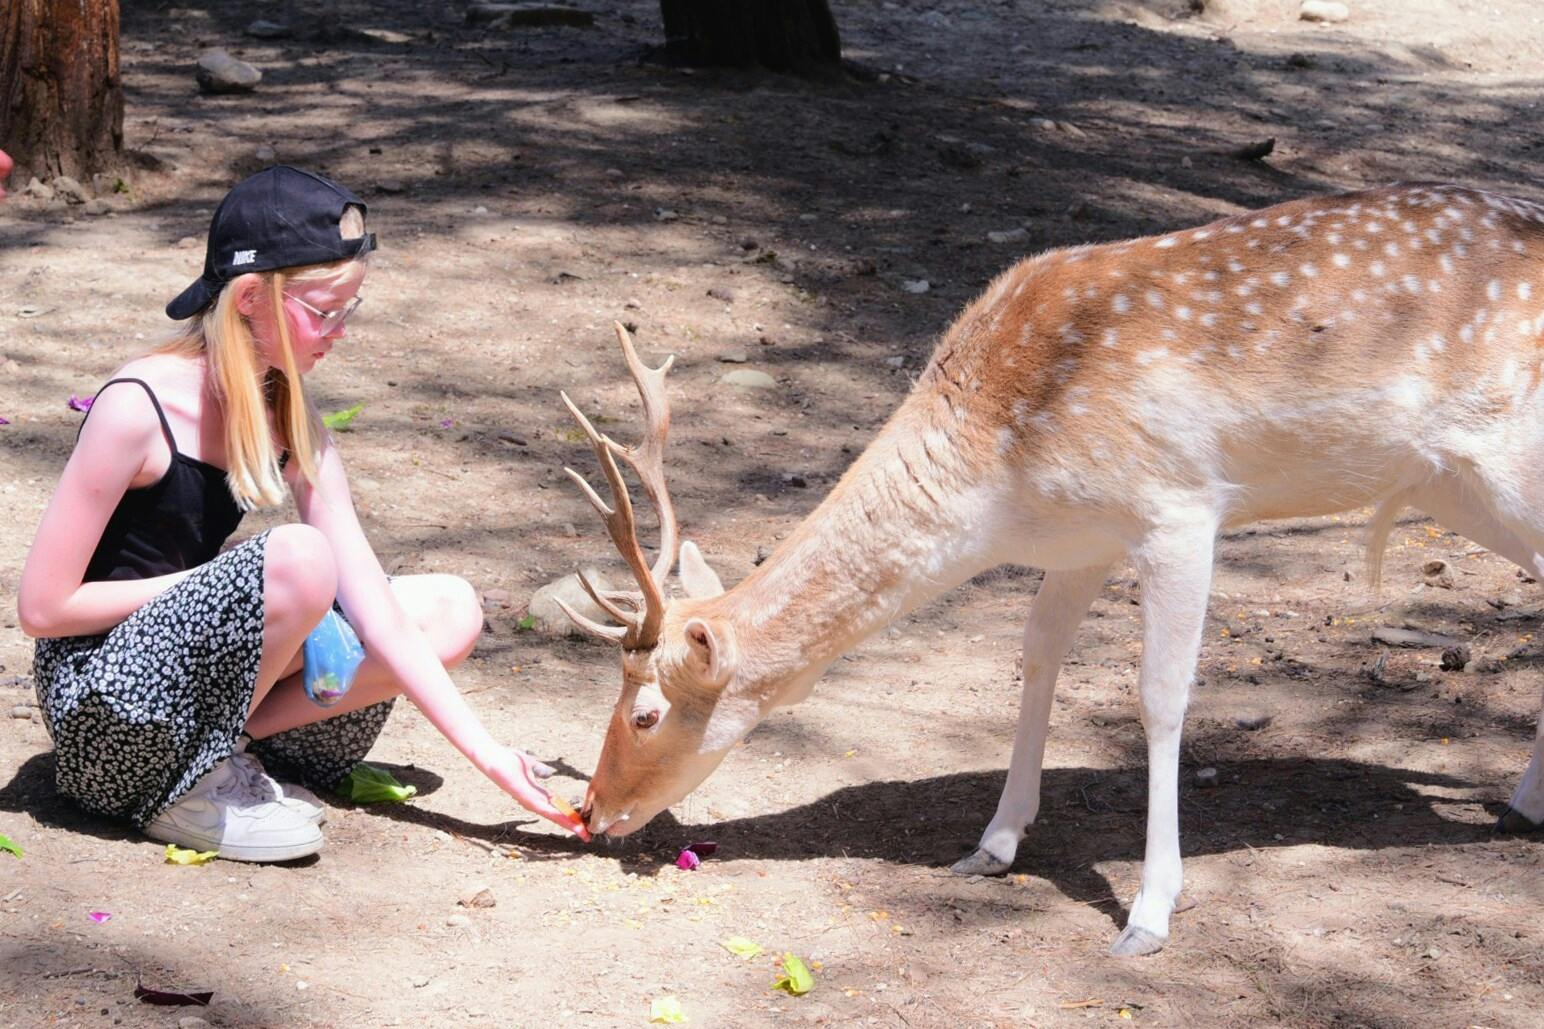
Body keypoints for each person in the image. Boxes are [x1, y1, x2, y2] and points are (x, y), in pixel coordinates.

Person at [17, 166, 586, 861]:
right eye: (324, 311)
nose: (340, 331)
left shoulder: (287, 407)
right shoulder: (137, 406)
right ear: (251, 296)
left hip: (197, 687)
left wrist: (489, 755)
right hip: (105, 718)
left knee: (449, 609)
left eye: (352, 308)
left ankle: (228, 746)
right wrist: (224, 590)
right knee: (300, 559)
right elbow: (43, 609)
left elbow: (369, 597)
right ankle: (183, 786)